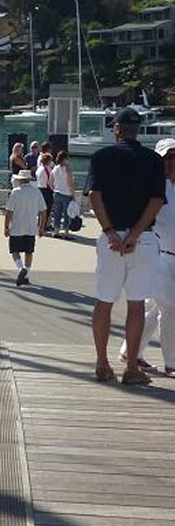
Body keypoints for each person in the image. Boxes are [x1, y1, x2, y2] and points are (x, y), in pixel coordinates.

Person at [84, 107, 167, 385]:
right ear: (138, 129)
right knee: (136, 305)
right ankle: (131, 367)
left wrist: (110, 232)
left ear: (116, 128)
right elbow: (156, 201)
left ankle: (102, 362)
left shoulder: (101, 157)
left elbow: (95, 196)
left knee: (104, 302)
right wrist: (135, 233)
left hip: (111, 240)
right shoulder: (154, 160)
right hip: (142, 241)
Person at [118, 137, 175, 374]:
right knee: (171, 307)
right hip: (157, 254)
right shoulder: (151, 185)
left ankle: (129, 351)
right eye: (168, 157)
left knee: (153, 307)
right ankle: (172, 362)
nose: (172, 161)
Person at [4, 168, 47, 286]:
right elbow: (43, 211)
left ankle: (20, 269)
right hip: (31, 227)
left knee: (15, 251)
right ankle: (26, 274)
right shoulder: (36, 192)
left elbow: (9, 211)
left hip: (17, 227)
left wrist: (6, 227)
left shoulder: (15, 192)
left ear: (20, 180)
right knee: (29, 252)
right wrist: (42, 227)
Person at [50, 150, 75, 238]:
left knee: (57, 213)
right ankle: (66, 232)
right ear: (65, 159)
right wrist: (73, 194)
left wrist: (55, 189)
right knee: (67, 214)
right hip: (67, 194)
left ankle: (56, 231)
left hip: (57, 193)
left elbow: (50, 182)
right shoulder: (67, 169)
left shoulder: (55, 168)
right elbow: (70, 183)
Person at [35, 151, 55, 230]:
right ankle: (45, 225)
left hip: (39, 189)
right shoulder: (48, 169)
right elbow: (51, 181)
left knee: (40, 208)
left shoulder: (39, 168)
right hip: (47, 190)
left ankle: (40, 224)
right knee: (47, 209)